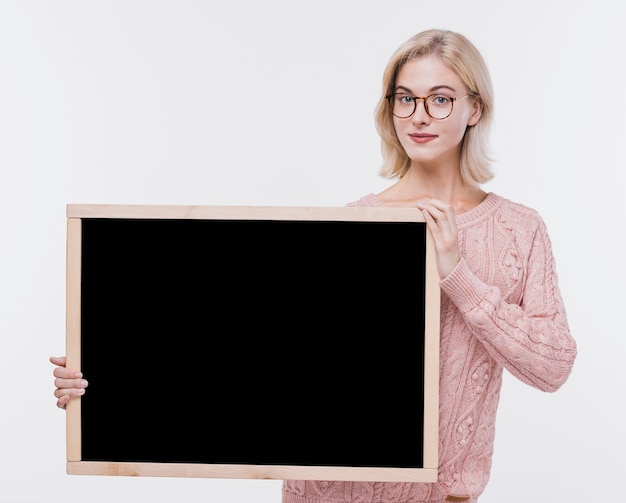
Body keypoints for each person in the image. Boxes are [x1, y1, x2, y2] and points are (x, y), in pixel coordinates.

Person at [51, 28, 577, 503]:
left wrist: (457, 275)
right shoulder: (354, 226)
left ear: (475, 108)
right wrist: (103, 390)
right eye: (406, 99)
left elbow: (553, 367)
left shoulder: (519, 230)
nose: (420, 115)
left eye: (441, 100)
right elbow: (252, 360)